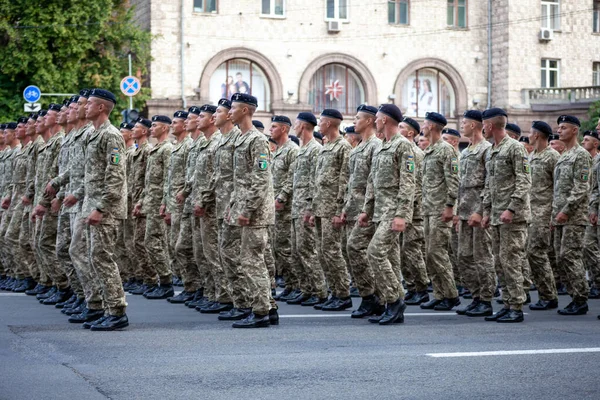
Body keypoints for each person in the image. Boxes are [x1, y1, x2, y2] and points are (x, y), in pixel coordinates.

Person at [75, 88, 128, 331]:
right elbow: (90, 176)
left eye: (90, 104)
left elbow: (115, 177)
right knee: (93, 257)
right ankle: (103, 307)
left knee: (103, 258)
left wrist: (101, 208)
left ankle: (116, 311)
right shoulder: (92, 135)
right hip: (91, 206)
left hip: (104, 210)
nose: (85, 107)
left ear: (101, 108)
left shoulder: (111, 136)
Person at [358, 103, 415, 324]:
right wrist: (367, 210)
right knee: (389, 256)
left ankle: (393, 301)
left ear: (384, 121)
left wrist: (401, 214)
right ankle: (395, 304)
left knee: (375, 252)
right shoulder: (383, 145)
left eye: (378, 118)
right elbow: (373, 182)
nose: (375, 121)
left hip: (393, 211)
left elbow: (408, 183)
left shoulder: (402, 146)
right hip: (380, 210)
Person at [225, 93, 275, 328]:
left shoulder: (256, 140)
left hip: (255, 213)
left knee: (252, 261)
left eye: (233, 108)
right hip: (244, 209)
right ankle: (268, 308)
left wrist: (246, 209)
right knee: (254, 260)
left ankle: (261, 311)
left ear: (245, 110)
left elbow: (260, 178)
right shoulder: (240, 139)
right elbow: (239, 180)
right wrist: (233, 207)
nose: (229, 112)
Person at [480, 108, 531, 323]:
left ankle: (517, 306)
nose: (482, 128)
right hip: (497, 216)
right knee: (499, 262)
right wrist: (486, 211)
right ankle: (507, 302)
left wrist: (511, 208)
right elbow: (490, 185)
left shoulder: (515, 148)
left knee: (511, 261)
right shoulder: (492, 150)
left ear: (490, 125)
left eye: (483, 124)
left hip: (513, 217)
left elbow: (524, 181)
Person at [306, 108, 352, 311]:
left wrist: (339, 210)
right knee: (323, 252)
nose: (318, 125)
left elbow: (345, 181)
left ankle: (343, 294)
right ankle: (334, 291)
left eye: (321, 121)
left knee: (333, 252)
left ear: (331, 124)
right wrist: (311, 208)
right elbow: (318, 182)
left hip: (332, 208)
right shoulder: (325, 147)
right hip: (320, 208)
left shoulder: (343, 147)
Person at [343, 105, 382, 318]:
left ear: (369, 121)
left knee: (361, 249)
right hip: (354, 209)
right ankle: (370, 297)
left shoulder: (376, 146)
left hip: (371, 210)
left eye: (358, 118)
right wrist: (346, 209)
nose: (354, 121)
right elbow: (352, 183)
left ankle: (377, 297)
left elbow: (373, 182)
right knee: (354, 251)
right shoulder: (358, 147)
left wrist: (368, 209)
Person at [455, 110, 494, 317]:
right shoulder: (467, 150)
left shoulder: (486, 150)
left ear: (474, 125)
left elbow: (489, 183)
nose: (462, 125)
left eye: (464, 123)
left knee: (482, 257)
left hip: (478, 213)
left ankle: (486, 299)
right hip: (464, 212)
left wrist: (480, 211)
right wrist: (456, 211)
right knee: (464, 257)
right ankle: (476, 296)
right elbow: (461, 185)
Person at [419, 112, 460, 311]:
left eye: (425, 124)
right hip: (428, 209)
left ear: (433, 127)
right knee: (429, 253)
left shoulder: (446, 150)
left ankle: (451, 294)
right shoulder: (430, 150)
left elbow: (453, 179)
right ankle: (439, 293)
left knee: (438, 252)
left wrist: (450, 206)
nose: (422, 127)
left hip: (440, 209)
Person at [287, 112, 328, 306]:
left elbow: (315, 182)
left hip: (306, 207)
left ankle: (319, 290)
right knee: (296, 250)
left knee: (308, 250)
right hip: (296, 206)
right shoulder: (302, 149)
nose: (294, 127)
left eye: (296, 124)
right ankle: (306, 288)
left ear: (303, 126)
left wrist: (311, 208)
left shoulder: (314, 149)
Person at [552, 115, 591, 316]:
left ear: (575, 130)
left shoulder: (581, 155)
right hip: (560, 216)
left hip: (573, 217)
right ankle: (574, 294)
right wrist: (555, 215)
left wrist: (566, 211)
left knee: (570, 255)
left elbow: (581, 187)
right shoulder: (564, 155)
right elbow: (558, 190)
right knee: (560, 258)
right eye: (559, 128)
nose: (559, 131)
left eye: (564, 128)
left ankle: (580, 298)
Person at [32, 103, 70, 305]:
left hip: (56, 201)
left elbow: (60, 173)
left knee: (51, 244)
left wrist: (52, 199)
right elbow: (41, 177)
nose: (41, 121)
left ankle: (63, 286)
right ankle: (56, 284)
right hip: (46, 200)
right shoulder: (49, 144)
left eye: (45, 117)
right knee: (43, 243)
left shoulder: (60, 141)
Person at [133, 115, 174, 299]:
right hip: (150, 202)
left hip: (159, 204)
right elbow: (147, 181)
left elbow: (168, 179)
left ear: (165, 128)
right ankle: (160, 281)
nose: (152, 128)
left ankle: (166, 281)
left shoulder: (166, 150)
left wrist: (166, 203)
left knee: (154, 242)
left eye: (155, 125)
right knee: (148, 242)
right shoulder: (156, 149)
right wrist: (141, 201)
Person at [172, 106, 208, 305]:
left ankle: (208, 291)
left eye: (195, 118)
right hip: (189, 203)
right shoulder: (194, 145)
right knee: (186, 248)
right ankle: (195, 287)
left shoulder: (206, 143)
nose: (186, 121)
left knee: (204, 251)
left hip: (204, 204)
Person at [526, 120, 560, 311]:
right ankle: (544, 293)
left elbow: (559, 187)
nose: (529, 136)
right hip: (531, 212)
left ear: (537, 135)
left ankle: (549, 295)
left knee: (537, 252)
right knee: (532, 253)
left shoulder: (552, 157)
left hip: (544, 212)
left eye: (531, 133)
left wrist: (553, 215)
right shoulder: (532, 156)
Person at [269, 116, 301, 304]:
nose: (271, 129)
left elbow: (291, 177)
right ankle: (290, 285)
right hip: (275, 207)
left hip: (286, 207)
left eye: (274, 127)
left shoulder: (292, 150)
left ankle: (295, 284)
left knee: (286, 248)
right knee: (279, 248)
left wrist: (281, 197)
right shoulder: (277, 151)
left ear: (283, 129)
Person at [398, 117, 430, 306]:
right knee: (403, 251)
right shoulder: (405, 150)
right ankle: (411, 286)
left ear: (411, 133)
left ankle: (422, 287)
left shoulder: (416, 153)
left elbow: (418, 184)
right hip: (403, 209)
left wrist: (411, 206)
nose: (398, 129)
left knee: (412, 250)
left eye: (401, 127)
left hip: (415, 210)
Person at [163, 111, 192, 294]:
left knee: (184, 246)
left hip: (186, 202)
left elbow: (191, 176)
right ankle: (185, 281)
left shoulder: (189, 146)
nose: (173, 126)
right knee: (174, 244)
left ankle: (193, 285)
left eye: (176, 122)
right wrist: (165, 203)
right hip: (174, 201)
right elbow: (169, 178)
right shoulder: (175, 147)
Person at [127, 118, 153, 295]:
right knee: (134, 242)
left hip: (144, 202)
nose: (131, 130)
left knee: (144, 242)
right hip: (133, 200)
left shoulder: (148, 151)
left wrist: (141, 201)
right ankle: (141, 277)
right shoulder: (136, 151)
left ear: (144, 131)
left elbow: (148, 180)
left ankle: (151, 279)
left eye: (136, 127)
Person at [581, 130, 600, 300]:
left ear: (595, 144)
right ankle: (596, 282)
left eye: (586, 140)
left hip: (593, 209)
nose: (582, 142)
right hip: (589, 210)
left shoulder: (597, 161)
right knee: (588, 246)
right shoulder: (585, 160)